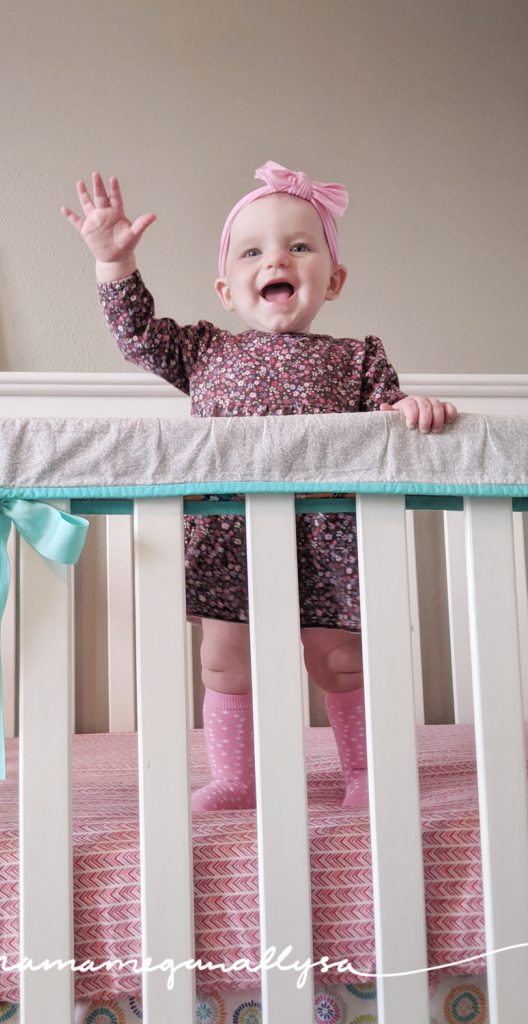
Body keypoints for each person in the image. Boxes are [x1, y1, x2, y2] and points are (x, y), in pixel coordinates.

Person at [62, 161, 457, 811]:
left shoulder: (356, 357)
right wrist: (113, 262)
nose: (276, 258)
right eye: (253, 251)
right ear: (226, 289)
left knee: (339, 662)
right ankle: (237, 778)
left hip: (327, 535)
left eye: (299, 246)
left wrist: (414, 410)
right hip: (231, 535)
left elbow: (391, 416)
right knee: (224, 661)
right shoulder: (204, 351)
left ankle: (363, 773)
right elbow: (135, 335)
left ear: (333, 280)